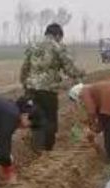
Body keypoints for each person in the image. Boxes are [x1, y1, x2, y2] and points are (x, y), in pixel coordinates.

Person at [20, 23, 85, 152]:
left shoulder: (33, 45)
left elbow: (25, 67)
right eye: (60, 37)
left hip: (31, 88)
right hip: (48, 89)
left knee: (36, 117)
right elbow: (69, 67)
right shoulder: (57, 47)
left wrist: (25, 84)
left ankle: (37, 147)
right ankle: (47, 150)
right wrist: (80, 74)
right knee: (50, 119)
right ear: (57, 35)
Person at [68, 81, 110, 161]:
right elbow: (100, 112)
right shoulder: (93, 88)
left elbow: (91, 111)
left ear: (76, 94)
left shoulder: (84, 91)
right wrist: (98, 126)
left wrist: (92, 125)